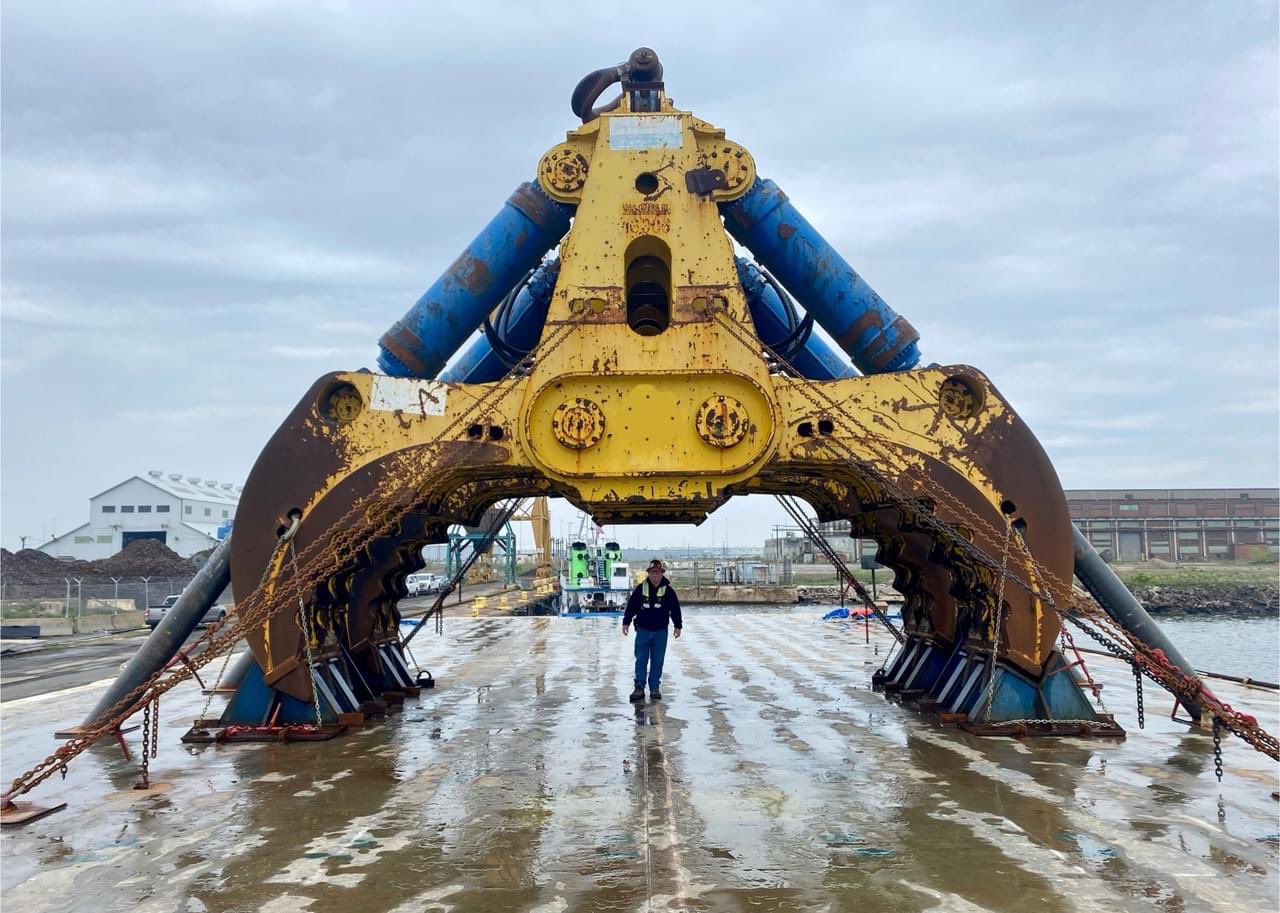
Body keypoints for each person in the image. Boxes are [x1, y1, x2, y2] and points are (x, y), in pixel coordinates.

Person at [622, 559, 682, 702]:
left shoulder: (668, 591)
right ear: (648, 573)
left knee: (657, 660)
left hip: (660, 632)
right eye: (653, 572)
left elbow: (675, 609)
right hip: (643, 631)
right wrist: (626, 622)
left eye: (658, 572)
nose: (655, 575)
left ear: (662, 574)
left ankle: (654, 687)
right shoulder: (640, 589)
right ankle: (639, 687)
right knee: (641, 659)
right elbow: (631, 607)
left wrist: (678, 626)